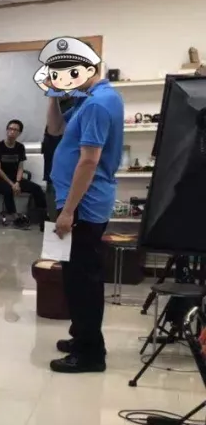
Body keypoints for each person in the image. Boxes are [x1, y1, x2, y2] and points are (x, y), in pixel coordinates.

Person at [41, 37, 123, 374]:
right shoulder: (90, 99)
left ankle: (91, 354)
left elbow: (89, 161)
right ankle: (81, 337)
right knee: (75, 277)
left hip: (83, 207)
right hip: (78, 203)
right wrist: (52, 94)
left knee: (84, 281)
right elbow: (54, 128)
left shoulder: (97, 105)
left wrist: (68, 211)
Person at [0, 119, 46, 229]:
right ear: (6, 130)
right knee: (8, 190)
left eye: (15, 130)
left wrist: (17, 182)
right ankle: (15, 218)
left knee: (37, 189)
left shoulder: (20, 147)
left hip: (16, 179)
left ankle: (43, 217)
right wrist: (12, 184)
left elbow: (20, 167)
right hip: (0, 180)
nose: (12, 131)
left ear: (19, 133)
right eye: (10, 129)